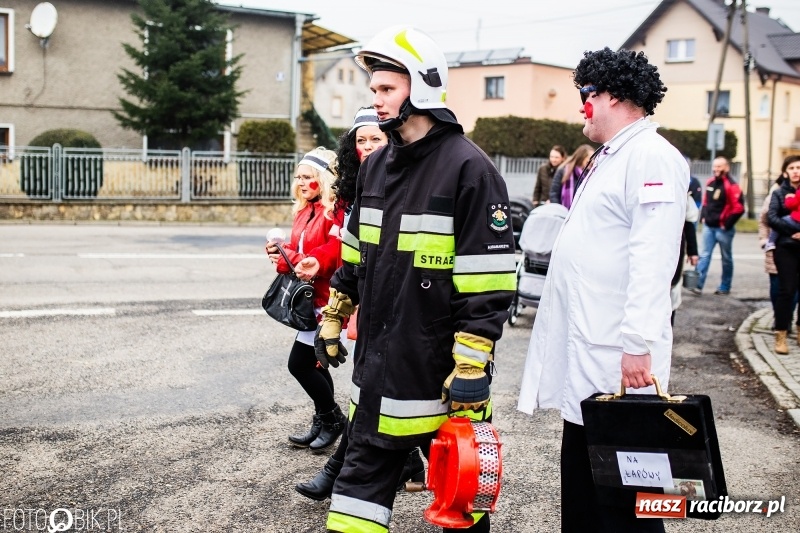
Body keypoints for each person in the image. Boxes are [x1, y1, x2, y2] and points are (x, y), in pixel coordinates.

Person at [313, 25, 515, 533]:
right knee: (355, 501)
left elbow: (487, 280)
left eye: (387, 89)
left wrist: (471, 365)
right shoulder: (377, 165)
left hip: (442, 376)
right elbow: (356, 254)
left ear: (421, 87)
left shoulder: (471, 169)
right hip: (378, 367)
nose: (376, 101)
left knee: (459, 500)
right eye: (374, 89)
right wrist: (335, 314)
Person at [517, 47, 688, 533]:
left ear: (613, 95)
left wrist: (637, 346)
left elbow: (653, 260)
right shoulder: (613, 157)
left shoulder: (652, 156)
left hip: (620, 357)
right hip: (592, 352)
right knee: (587, 478)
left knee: (628, 492)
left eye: (586, 96)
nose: (581, 107)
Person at [293, 107, 425, 501]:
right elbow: (351, 252)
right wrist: (337, 310)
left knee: (379, 393)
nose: (367, 147)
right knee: (376, 391)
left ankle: (339, 466)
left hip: (411, 306)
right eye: (360, 140)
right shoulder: (356, 187)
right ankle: (409, 465)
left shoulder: (410, 180)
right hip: (369, 303)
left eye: (376, 139)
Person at [266, 147, 348, 453]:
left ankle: (333, 418)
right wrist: (280, 253)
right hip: (308, 298)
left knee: (299, 364)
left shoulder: (333, 212)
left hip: (327, 300)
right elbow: (298, 257)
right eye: (298, 176)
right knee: (316, 363)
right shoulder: (304, 210)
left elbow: (335, 255)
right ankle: (323, 419)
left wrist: (297, 257)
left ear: (323, 180)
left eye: (308, 177)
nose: (301, 182)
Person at [691, 156, 744, 296]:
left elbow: (739, 208)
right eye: (714, 166)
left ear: (726, 168)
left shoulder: (732, 185)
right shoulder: (710, 182)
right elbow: (706, 202)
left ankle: (725, 287)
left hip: (723, 229)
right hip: (709, 226)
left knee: (726, 258)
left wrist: (726, 224)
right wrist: (703, 217)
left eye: (719, 166)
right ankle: (697, 285)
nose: (716, 169)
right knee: (704, 255)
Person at [767, 155, 800, 354]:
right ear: (786, 172)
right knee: (787, 291)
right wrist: (792, 232)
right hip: (786, 247)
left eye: (799, 167)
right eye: (792, 168)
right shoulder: (779, 193)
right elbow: (772, 217)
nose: (796, 171)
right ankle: (781, 333)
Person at [671, 187, 699, 326]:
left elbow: (688, 223)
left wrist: (693, 251)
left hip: (673, 245)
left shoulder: (681, 188)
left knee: (671, 291)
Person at [548, 144, 594, 208]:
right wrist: (558, 210)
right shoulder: (563, 170)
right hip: (563, 212)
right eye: (590, 157)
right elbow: (554, 193)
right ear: (582, 157)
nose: (592, 160)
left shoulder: (591, 173)